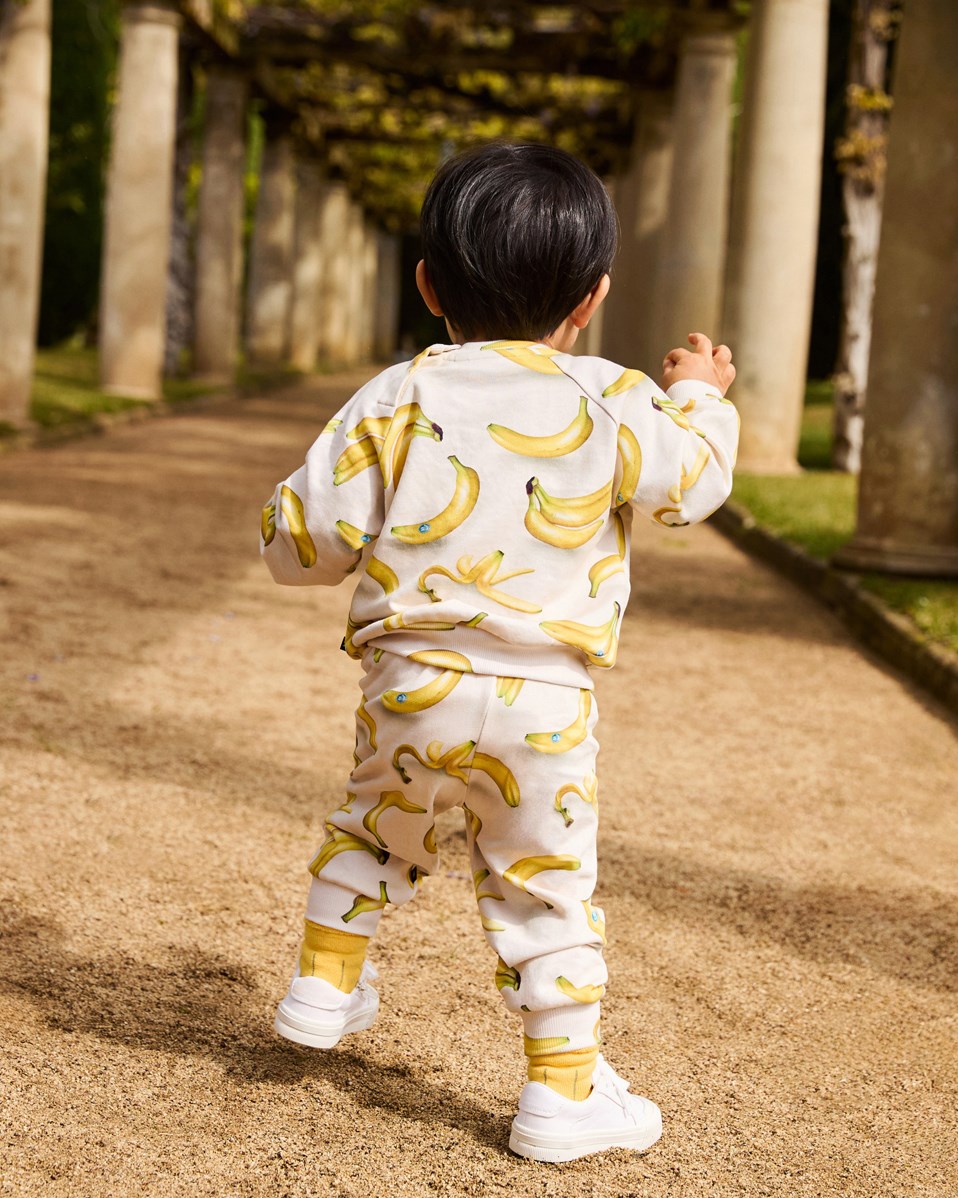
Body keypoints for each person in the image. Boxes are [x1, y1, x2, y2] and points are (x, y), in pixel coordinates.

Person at [260, 142, 738, 1164]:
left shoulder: (396, 394)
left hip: (410, 680)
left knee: (372, 826)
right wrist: (696, 395)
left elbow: (303, 542)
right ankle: (561, 1095)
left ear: (428, 282)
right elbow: (692, 484)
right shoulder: (613, 399)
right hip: (544, 699)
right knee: (542, 885)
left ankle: (323, 982)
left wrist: (289, 525)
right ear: (593, 297)